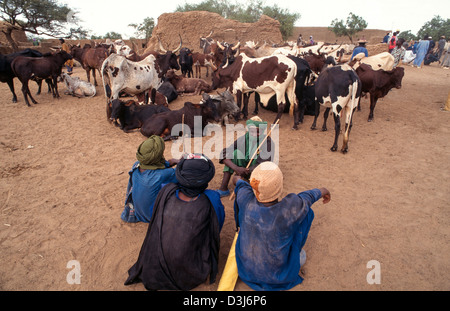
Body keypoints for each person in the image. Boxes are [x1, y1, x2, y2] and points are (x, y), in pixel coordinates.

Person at [124, 153, 225, 291]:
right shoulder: (212, 198)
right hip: (187, 271)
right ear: (207, 177)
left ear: (180, 176)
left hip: (154, 265)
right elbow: (216, 227)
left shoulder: (166, 190)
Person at [231, 161, 331, 291]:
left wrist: (238, 178)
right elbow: (308, 196)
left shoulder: (245, 197)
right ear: (279, 187)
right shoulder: (290, 208)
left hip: (246, 270)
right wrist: (324, 190)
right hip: (277, 276)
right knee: (306, 218)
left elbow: (236, 181)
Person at [120, 135, 179, 223]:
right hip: (152, 217)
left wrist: (173, 161)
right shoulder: (162, 175)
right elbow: (183, 174)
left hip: (139, 213)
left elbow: (159, 165)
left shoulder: (136, 165)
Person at [216, 116, 275, 198]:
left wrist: (245, 171)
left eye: (258, 132)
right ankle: (223, 188)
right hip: (241, 169)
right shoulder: (243, 139)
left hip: (256, 171)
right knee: (235, 153)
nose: (255, 135)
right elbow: (224, 153)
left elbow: (262, 164)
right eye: (252, 132)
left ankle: (248, 183)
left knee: (259, 163)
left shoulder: (268, 143)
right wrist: (236, 168)